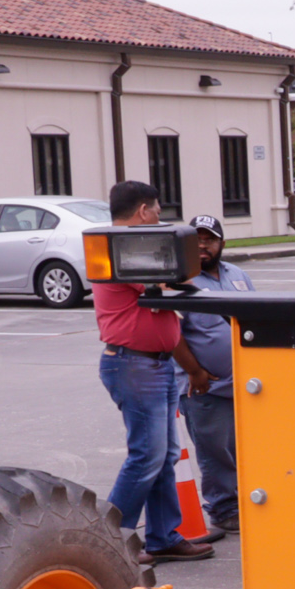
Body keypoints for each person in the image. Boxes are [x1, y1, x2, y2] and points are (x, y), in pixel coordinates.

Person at [95, 181, 215, 564]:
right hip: (133, 364)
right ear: (144, 211)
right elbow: (171, 283)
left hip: (153, 365)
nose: (160, 218)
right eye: (158, 211)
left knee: (163, 456)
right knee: (146, 455)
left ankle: (163, 537)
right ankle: (112, 541)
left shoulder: (133, 249)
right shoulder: (124, 249)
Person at [177, 214, 255, 534]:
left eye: (208, 239)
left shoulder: (238, 275)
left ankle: (248, 502)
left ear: (222, 243)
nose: (202, 245)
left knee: (244, 447)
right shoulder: (181, 281)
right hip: (205, 386)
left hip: (245, 382)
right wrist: (195, 372)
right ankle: (223, 509)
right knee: (214, 450)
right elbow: (172, 334)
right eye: (195, 240)